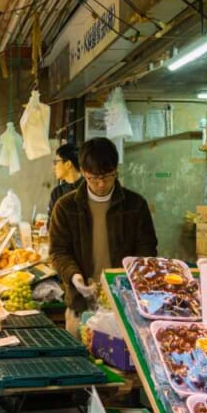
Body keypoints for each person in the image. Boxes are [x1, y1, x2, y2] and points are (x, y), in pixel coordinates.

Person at [49, 137, 157, 338]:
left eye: (107, 177)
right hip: (80, 306)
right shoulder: (66, 207)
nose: (100, 184)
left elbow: (147, 253)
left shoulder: (135, 205)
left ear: (116, 170)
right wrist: (74, 276)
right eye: (93, 178)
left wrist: (129, 283)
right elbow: (58, 251)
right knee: (80, 363)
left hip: (125, 308)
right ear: (83, 172)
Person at [48, 143, 83, 220]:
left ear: (68, 164)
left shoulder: (89, 189)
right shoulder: (57, 192)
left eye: (56, 162)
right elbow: (51, 223)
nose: (54, 168)